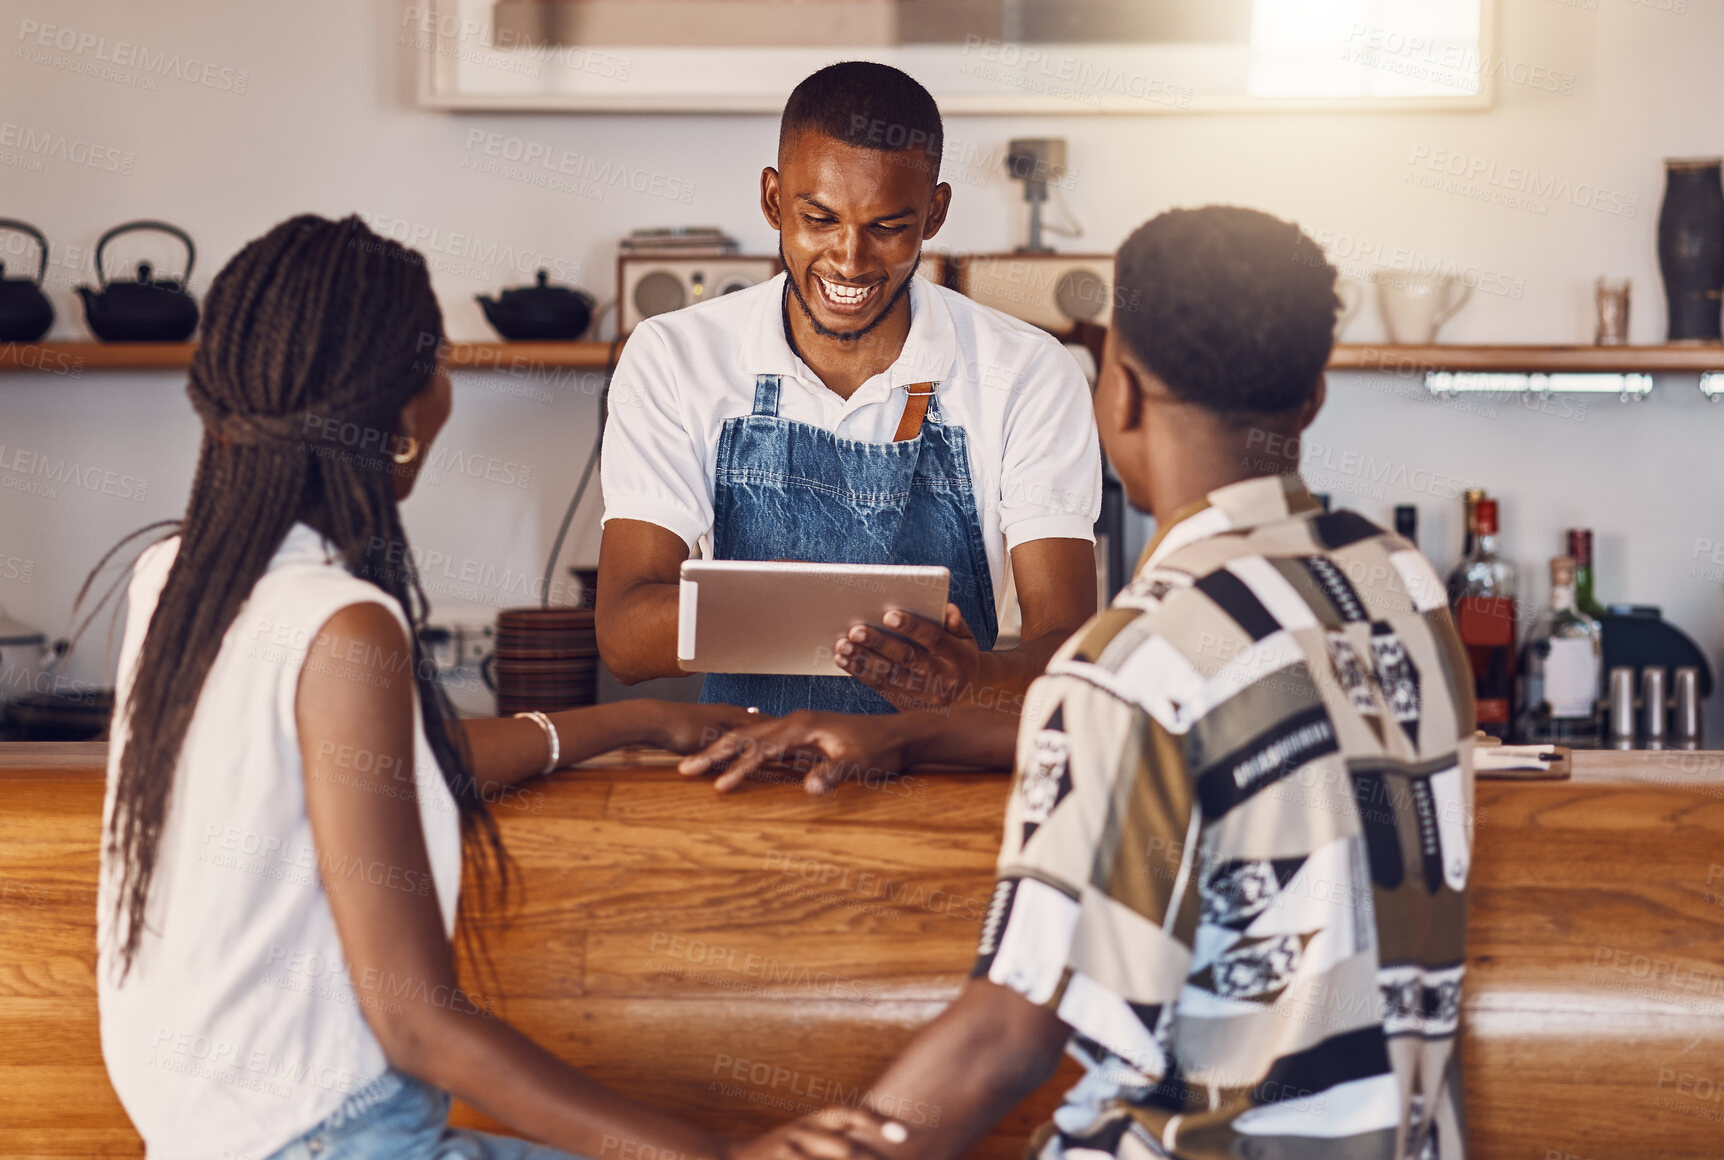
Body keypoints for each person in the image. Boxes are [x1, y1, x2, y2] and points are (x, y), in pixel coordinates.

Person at [96, 214, 891, 1160]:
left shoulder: (176, 578)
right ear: (395, 415)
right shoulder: (342, 624)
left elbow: (382, 771)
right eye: (434, 363)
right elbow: (418, 1028)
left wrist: (633, 721)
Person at [752, 206, 1477, 1158]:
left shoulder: (1132, 660)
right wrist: (914, 733)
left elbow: (1006, 1040)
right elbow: (1224, 744)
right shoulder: (1395, 584)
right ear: (1311, 399)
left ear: (1120, 394)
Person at [597, 61, 1101, 717]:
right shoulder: (674, 357)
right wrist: (784, 601)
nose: (850, 260)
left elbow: (1068, 655)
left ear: (935, 213)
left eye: (888, 227)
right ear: (774, 200)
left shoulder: (1029, 372)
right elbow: (625, 637)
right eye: (819, 218)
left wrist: (969, 676)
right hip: (747, 772)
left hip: (940, 776)